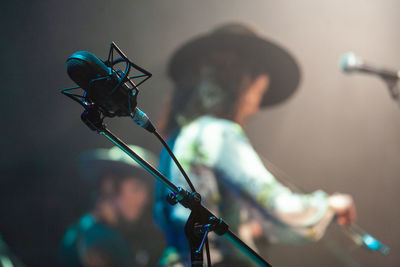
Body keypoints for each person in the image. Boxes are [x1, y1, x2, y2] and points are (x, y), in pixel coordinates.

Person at [154, 23, 356, 266]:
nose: (257, 108)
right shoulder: (219, 133)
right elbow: (279, 207)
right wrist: (329, 205)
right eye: (259, 92)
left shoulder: (178, 137)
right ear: (241, 85)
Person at [59, 145, 161, 267]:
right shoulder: (98, 238)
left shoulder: (85, 229)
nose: (144, 199)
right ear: (110, 186)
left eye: (147, 192)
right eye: (136, 189)